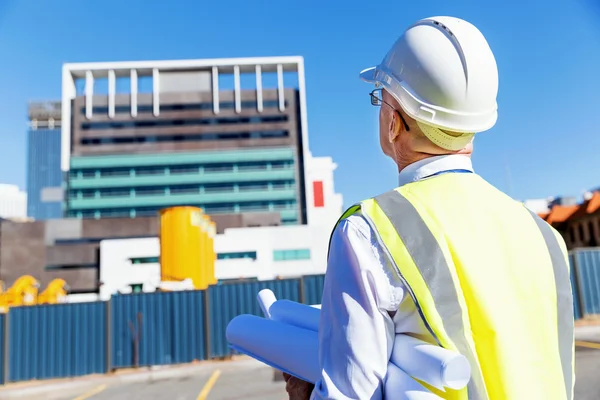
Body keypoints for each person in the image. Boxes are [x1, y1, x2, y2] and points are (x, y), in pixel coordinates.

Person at [285, 16, 575, 400]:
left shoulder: (368, 230)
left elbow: (349, 393)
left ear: (393, 122)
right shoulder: (546, 236)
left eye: (380, 99)